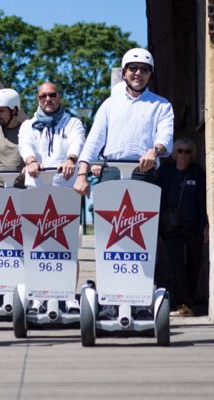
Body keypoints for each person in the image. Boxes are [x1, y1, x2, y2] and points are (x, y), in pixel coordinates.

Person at [73, 48, 174, 320]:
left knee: (142, 238)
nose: (138, 73)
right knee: (110, 238)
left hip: (144, 174)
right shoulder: (109, 104)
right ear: (124, 72)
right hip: (111, 174)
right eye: (132, 68)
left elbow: (166, 137)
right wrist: (82, 173)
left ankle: (141, 299)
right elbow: (93, 142)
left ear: (150, 74)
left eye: (143, 69)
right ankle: (109, 299)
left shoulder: (161, 105)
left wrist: (155, 150)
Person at [18, 81, 86, 314]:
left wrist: (71, 159)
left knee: (68, 246)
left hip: (64, 192)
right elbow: (25, 145)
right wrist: (30, 161)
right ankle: (37, 295)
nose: (48, 99)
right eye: (43, 96)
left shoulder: (73, 123)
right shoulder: (28, 125)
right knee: (37, 246)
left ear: (59, 97)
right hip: (36, 190)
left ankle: (67, 294)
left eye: (52, 95)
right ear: (38, 100)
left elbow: (77, 142)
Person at [157, 138, 209, 317]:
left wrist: (206, 225)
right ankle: (183, 304)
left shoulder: (198, 173)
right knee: (177, 265)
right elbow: (159, 198)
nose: (184, 155)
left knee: (194, 266)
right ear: (174, 153)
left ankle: (188, 302)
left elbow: (204, 202)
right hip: (172, 228)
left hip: (193, 227)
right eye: (180, 151)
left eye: (187, 152)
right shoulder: (165, 172)